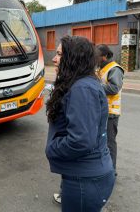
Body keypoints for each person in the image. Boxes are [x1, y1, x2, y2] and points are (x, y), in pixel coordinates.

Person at [46, 36, 115, 212]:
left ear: (73, 58)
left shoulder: (82, 88)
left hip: (85, 180)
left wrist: (52, 148)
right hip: (84, 176)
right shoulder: (80, 83)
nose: (54, 59)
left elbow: (81, 141)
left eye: (60, 54)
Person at [96, 44, 124, 173]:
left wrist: (95, 85)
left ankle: (111, 170)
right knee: (101, 141)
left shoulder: (115, 69)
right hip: (101, 111)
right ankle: (103, 167)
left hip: (111, 112)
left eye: (98, 56)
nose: (95, 58)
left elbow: (114, 88)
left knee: (109, 142)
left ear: (105, 56)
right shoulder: (101, 68)